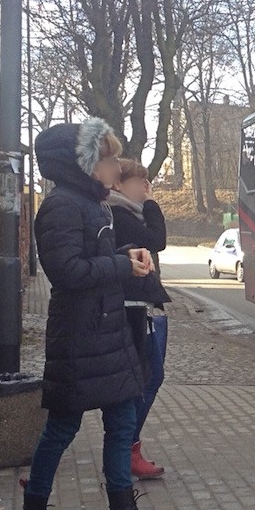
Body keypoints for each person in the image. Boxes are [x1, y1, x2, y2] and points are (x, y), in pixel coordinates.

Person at [16, 117, 176, 510]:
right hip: (80, 335)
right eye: (106, 159)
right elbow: (67, 273)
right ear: (84, 165)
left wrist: (126, 254)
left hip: (106, 333)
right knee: (62, 428)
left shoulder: (91, 205)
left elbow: (93, 259)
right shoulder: (61, 206)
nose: (114, 167)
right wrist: (123, 266)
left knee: (123, 421)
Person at [108, 158, 171, 480]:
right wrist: (151, 204)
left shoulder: (124, 212)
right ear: (119, 185)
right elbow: (157, 239)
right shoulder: (120, 213)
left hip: (142, 306)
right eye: (140, 183)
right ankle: (126, 449)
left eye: (148, 183)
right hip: (132, 307)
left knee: (149, 376)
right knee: (146, 377)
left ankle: (127, 447)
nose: (145, 188)